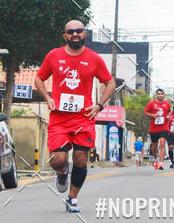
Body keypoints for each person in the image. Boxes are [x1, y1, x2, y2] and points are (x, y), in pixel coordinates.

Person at [35, 21, 115, 212]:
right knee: (59, 159)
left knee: (80, 158)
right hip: (59, 119)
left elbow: (110, 82)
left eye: (79, 31)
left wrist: (99, 105)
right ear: (65, 36)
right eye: (71, 32)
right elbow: (39, 78)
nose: (75, 34)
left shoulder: (94, 59)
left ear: (84, 34)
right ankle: (62, 172)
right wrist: (47, 97)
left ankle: (72, 198)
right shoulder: (54, 56)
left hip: (83, 118)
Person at [144, 89, 172, 170]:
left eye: (161, 94)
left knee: (162, 144)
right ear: (156, 95)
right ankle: (156, 158)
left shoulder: (167, 104)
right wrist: (153, 115)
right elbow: (146, 112)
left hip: (164, 127)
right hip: (154, 128)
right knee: (154, 146)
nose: (160, 95)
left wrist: (168, 116)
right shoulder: (151, 103)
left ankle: (161, 163)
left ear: (164, 95)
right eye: (158, 94)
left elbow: (170, 112)